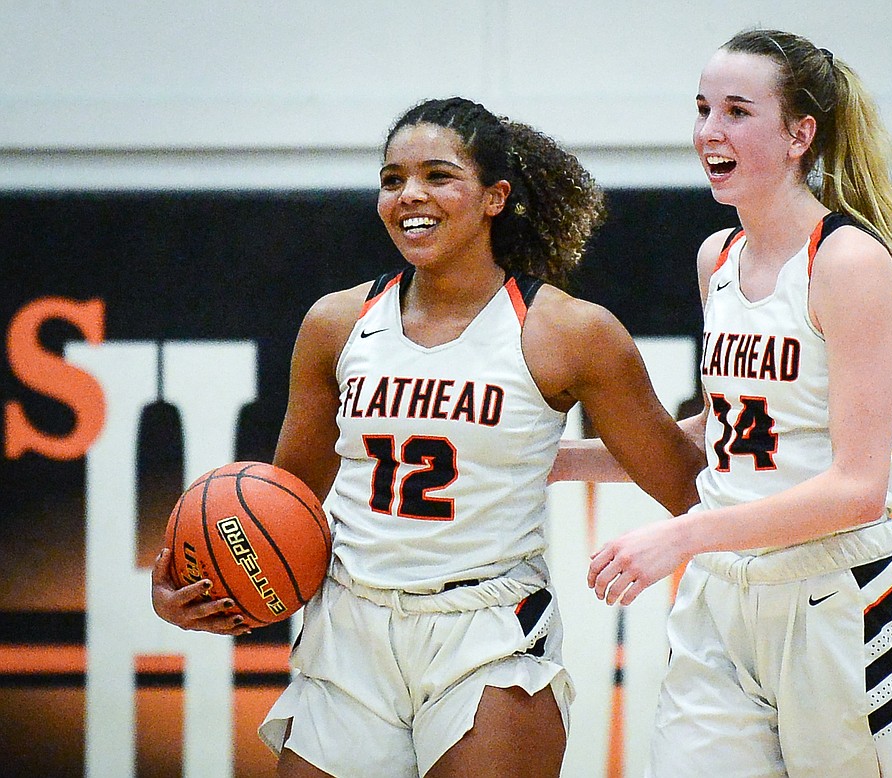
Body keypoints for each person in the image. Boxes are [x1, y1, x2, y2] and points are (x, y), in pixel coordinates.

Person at [151, 96, 704, 778]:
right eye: (392, 180)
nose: (409, 194)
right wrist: (197, 579)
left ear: (495, 196)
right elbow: (283, 500)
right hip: (348, 630)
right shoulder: (336, 324)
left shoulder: (567, 332)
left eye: (438, 175)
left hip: (487, 632)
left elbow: (688, 484)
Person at [557, 29, 892, 778]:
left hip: (834, 602)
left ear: (798, 135)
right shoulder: (717, 258)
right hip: (722, 601)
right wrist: (557, 461)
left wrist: (686, 535)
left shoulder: (847, 261)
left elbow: (858, 487)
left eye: (737, 111)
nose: (709, 131)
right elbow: (728, 429)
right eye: (702, 109)